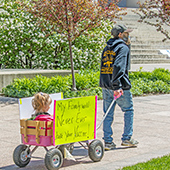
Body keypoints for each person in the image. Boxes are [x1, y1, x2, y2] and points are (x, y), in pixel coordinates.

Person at [99, 24, 138, 151]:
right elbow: (118, 67)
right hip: (119, 86)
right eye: (125, 33)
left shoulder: (107, 47)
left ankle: (108, 142)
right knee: (128, 110)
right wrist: (117, 86)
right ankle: (127, 138)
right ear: (120, 34)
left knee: (108, 113)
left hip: (106, 85)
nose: (127, 35)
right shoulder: (123, 48)